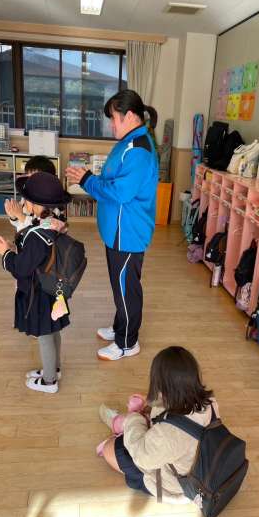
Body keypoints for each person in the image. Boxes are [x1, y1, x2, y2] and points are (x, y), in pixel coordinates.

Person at [66, 89, 159, 361]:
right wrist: (89, 179)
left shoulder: (139, 150)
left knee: (127, 289)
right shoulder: (129, 141)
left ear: (129, 116)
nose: (111, 125)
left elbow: (120, 192)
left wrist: (86, 180)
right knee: (121, 287)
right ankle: (120, 327)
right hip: (117, 232)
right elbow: (113, 180)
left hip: (127, 233)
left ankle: (128, 343)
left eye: (114, 118)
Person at [98, 346, 219, 502]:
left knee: (109, 448)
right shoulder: (209, 402)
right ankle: (127, 426)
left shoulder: (168, 435)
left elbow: (142, 457)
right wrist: (151, 403)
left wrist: (133, 418)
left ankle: (121, 426)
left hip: (176, 486)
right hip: (197, 464)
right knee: (143, 426)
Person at [0, 172, 72, 393]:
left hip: (40, 293)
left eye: (26, 200)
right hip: (54, 288)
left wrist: (5, 252)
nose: (23, 203)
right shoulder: (55, 222)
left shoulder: (36, 235)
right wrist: (16, 245)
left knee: (44, 335)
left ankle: (49, 382)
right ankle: (54, 369)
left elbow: (21, 268)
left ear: (35, 205)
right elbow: (37, 255)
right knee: (53, 330)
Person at [5, 155, 58, 233]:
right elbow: (19, 224)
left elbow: (45, 229)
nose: (29, 182)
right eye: (28, 177)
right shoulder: (26, 197)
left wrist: (20, 215)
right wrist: (14, 217)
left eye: (34, 178)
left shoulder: (52, 204)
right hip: (24, 238)